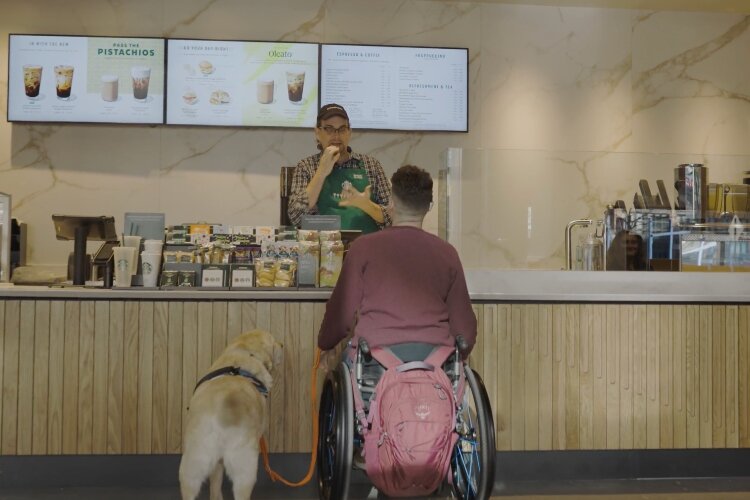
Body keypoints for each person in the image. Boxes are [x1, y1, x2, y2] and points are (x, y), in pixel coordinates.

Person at [318, 164, 477, 359]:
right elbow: (465, 330)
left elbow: (341, 319)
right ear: (428, 207)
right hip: (436, 364)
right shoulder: (447, 253)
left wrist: (325, 343)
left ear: (391, 203)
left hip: (373, 365)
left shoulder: (363, 248)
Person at [288, 103, 391, 234]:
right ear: (317, 132)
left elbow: (393, 217)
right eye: (329, 129)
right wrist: (321, 172)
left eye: (342, 129)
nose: (336, 136)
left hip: (366, 248)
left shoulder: (371, 165)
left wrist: (366, 205)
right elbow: (296, 217)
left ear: (349, 132)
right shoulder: (306, 167)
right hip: (323, 249)